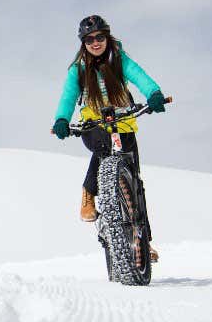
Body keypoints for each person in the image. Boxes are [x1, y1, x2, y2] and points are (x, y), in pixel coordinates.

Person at [52, 14, 166, 262]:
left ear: (107, 37)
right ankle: (88, 193)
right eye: (89, 39)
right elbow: (68, 97)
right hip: (94, 124)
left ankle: (144, 242)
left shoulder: (119, 60)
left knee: (136, 183)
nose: (95, 43)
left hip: (123, 125)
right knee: (103, 148)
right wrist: (61, 119)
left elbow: (140, 76)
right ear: (83, 42)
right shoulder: (78, 70)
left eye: (99, 37)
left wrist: (154, 93)